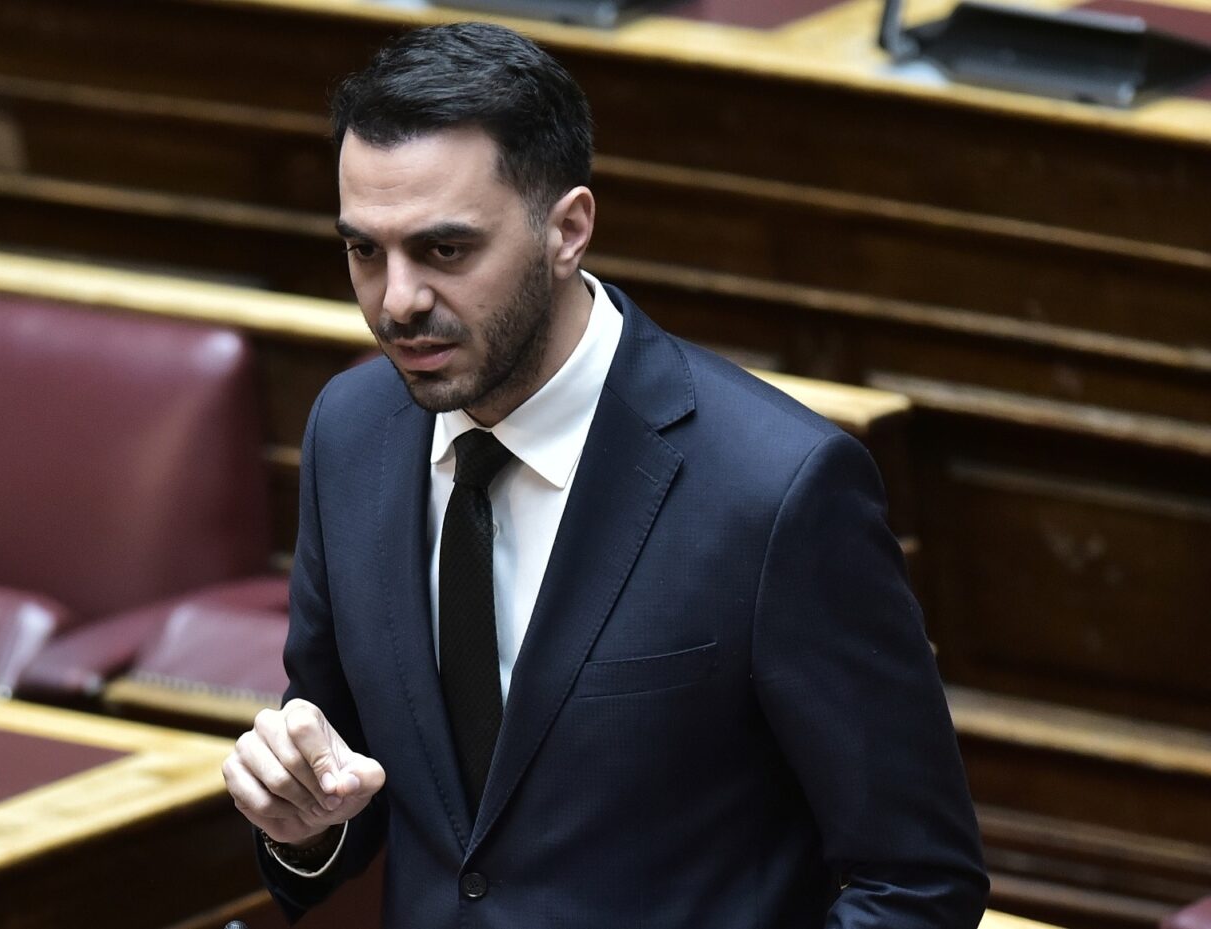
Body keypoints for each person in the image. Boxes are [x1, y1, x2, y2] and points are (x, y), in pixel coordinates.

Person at [221, 21, 988, 929]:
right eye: (364, 251)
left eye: (445, 250)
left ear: (568, 229)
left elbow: (918, 881)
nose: (397, 301)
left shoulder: (776, 488)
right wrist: (305, 825)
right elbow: (355, 778)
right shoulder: (350, 434)